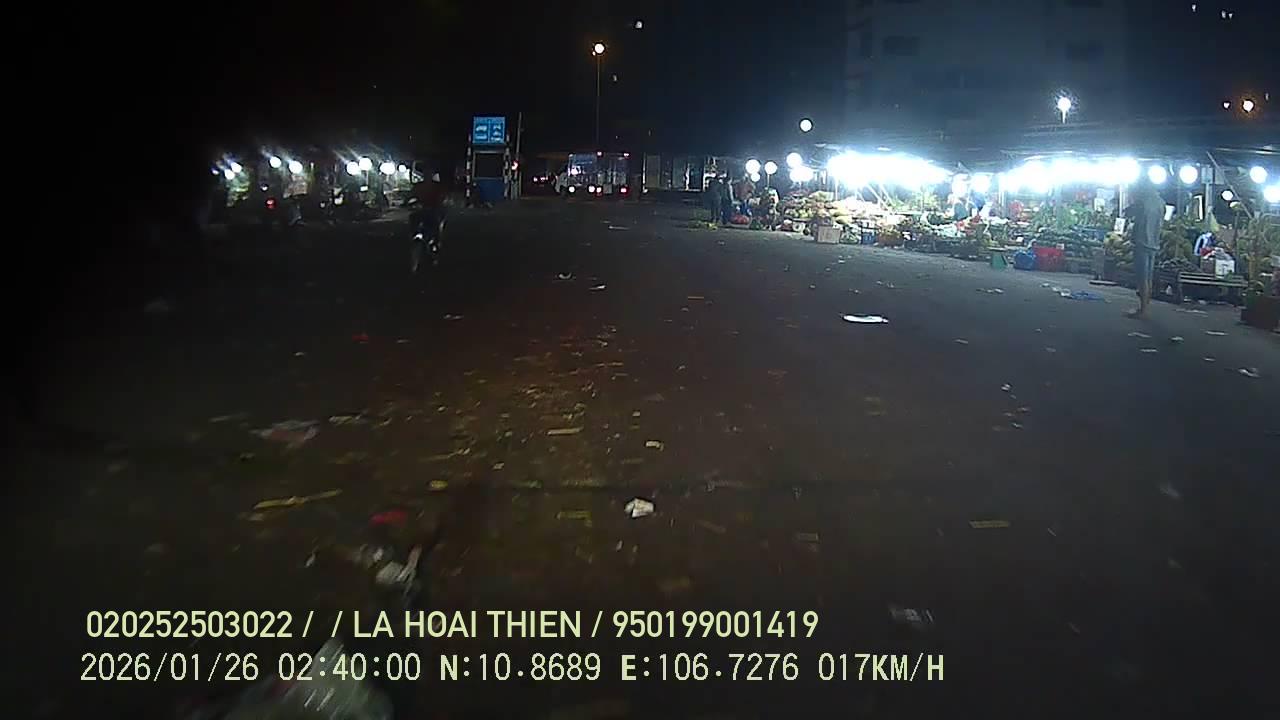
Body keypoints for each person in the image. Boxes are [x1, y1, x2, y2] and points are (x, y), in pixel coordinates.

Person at [1126, 181, 1165, 318]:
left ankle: (1143, 309)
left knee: (1142, 277)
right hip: (1154, 243)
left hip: (1142, 242)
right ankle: (1145, 306)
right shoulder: (1161, 203)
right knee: (1148, 277)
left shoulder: (1142, 201)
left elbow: (1128, 213)